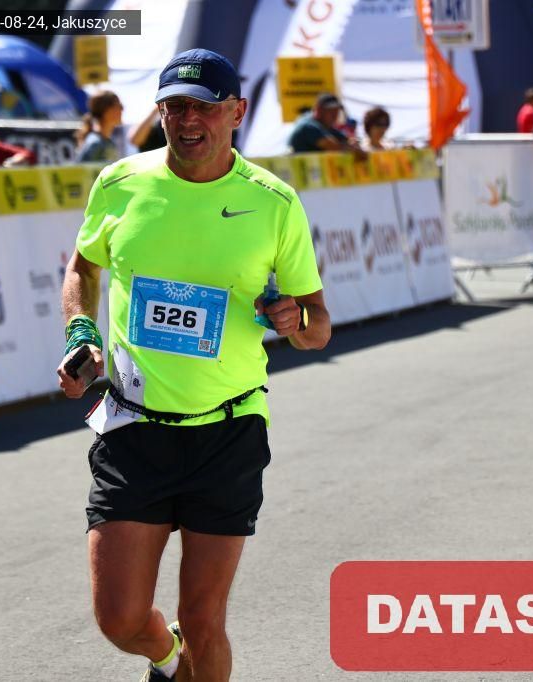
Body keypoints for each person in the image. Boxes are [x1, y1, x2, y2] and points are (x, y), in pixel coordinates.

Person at [56, 48, 330, 682]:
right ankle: (167, 658)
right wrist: (81, 332)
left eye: (204, 107)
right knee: (120, 618)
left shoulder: (274, 202)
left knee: (205, 622)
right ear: (159, 113)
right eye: (174, 106)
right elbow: (83, 268)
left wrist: (293, 320)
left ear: (237, 112)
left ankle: (190, 657)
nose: (188, 121)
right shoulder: (120, 183)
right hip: (132, 424)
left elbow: (318, 327)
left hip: (228, 429)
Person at [288, 92, 365, 158]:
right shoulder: (308, 126)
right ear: (319, 110)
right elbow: (334, 147)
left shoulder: (326, 126)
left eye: (336, 110)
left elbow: (347, 140)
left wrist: (354, 142)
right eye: (330, 111)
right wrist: (351, 147)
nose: (335, 115)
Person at [77, 90, 124, 163]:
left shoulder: (108, 143)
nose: (122, 109)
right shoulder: (95, 143)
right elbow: (82, 168)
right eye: (119, 106)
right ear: (106, 111)